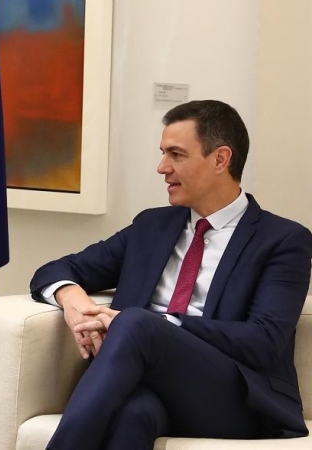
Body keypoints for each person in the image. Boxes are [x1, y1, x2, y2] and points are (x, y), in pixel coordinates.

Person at [30, 100, 312, 449]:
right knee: (133, 415)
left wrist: (164, 324)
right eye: (163, 153)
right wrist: (72, 298)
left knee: (136, 323)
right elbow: (55, 269)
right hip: (151, 384)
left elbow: (264, 341)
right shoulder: (152, 226)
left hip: (233, 398)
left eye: (176, 155)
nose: (162, 167)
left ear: (220, 159)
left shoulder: (283, 240)